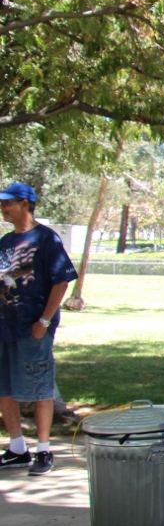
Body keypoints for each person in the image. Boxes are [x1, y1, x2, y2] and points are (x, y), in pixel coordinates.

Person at [0, 183, 77, 476]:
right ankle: (17, 449)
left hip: (33, 327)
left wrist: (43, 321)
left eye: (8, 203)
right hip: (4, 325)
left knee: (40, 386)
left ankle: (43, 450)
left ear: (24, 203)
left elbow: (61, 281)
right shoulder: (5, 242)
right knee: (4, 388)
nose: (3, 208)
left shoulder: (46, 239)